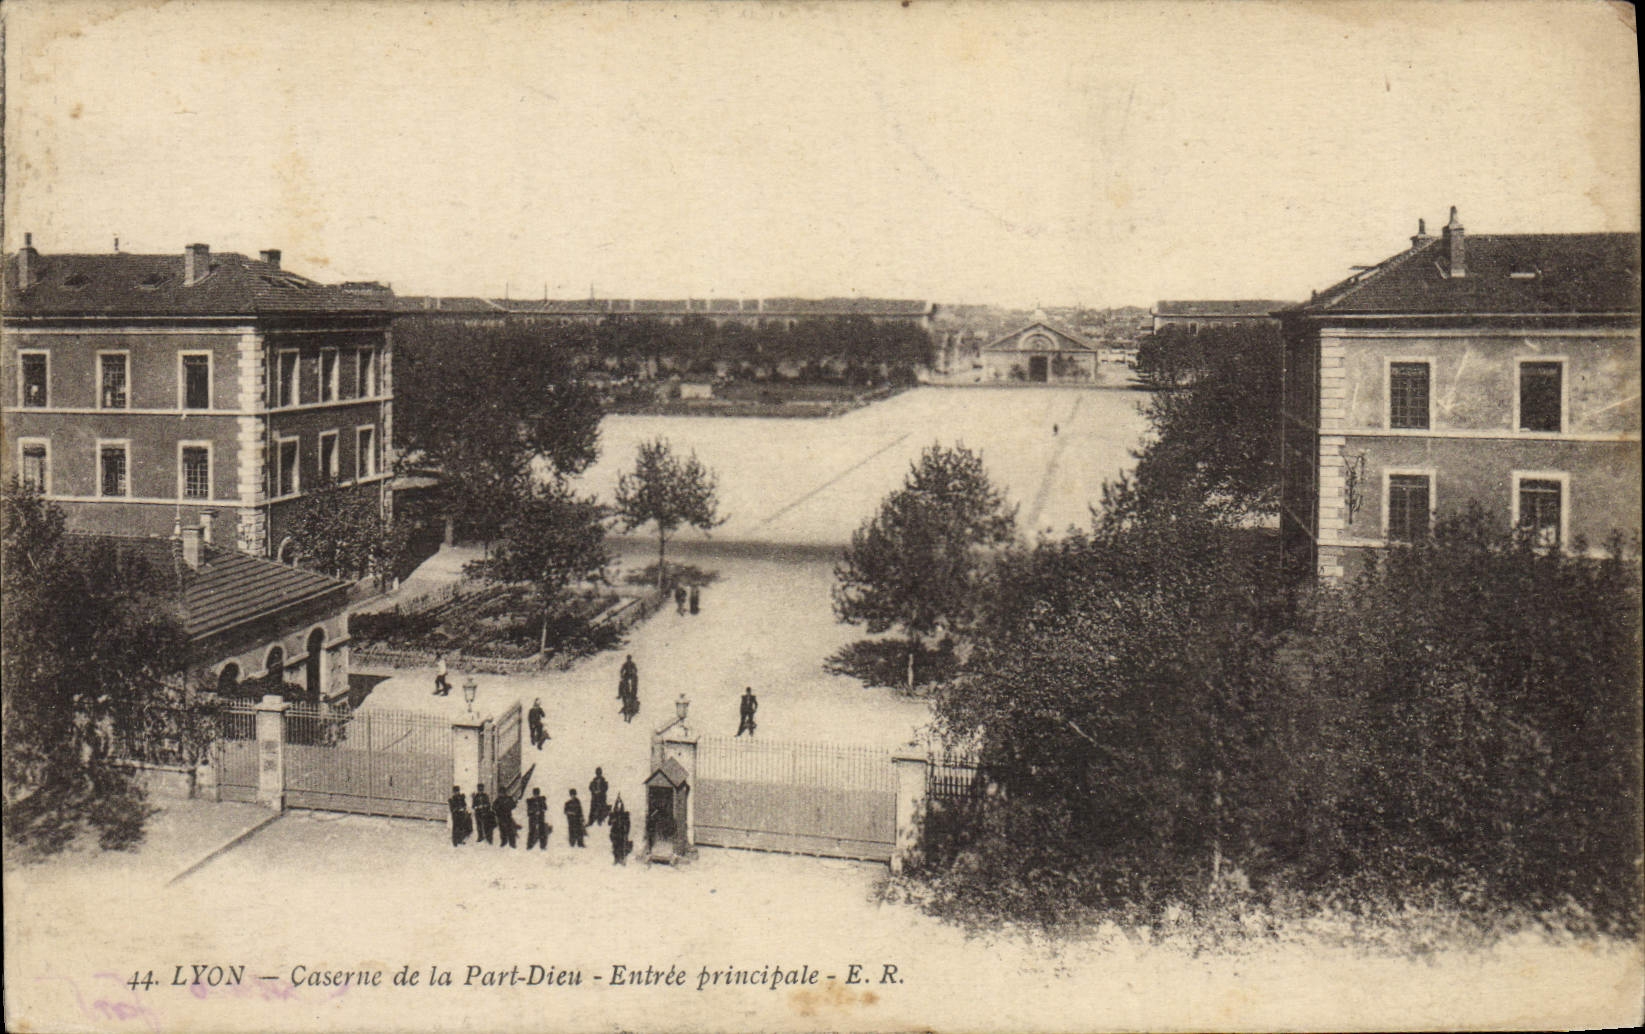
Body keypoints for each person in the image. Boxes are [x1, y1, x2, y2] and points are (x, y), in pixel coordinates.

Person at [609, 796, 631, 865]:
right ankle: (616, 858)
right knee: (615, 846)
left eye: (619, 807)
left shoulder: (624, 815)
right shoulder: (613, 814)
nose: (618, 809)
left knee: (621, 846)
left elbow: (628, 823)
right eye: (617, 807)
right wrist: (612, 821)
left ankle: (622, 858)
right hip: (615, 832)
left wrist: (626, 831)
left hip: (622, 832)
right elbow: (609, 823)